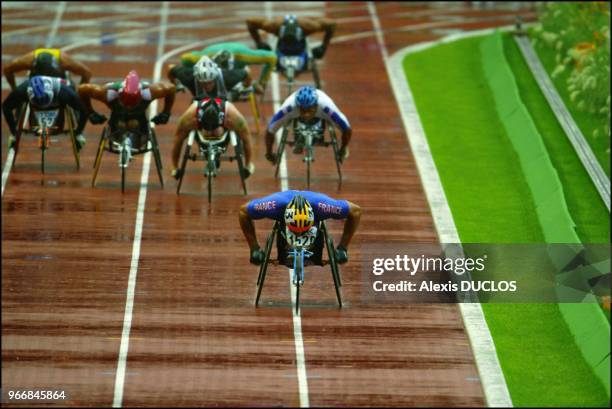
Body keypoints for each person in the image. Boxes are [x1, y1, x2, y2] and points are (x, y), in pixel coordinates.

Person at [239, 191, 361, 266]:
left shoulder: (323, 207)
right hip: (283, 204)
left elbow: (355, 211)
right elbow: (243, 211)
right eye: (296, 230)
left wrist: (342, 248)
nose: (299, 234)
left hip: (315, 204)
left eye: (303, 230)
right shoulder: (274, 206)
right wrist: (254, 248)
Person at [78, 70, 175, 150]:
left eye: (132, 104)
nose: (128, 107)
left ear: (140, 97)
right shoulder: (107, 93)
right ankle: (121, 137)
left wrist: (166, 113)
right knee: (121, 125)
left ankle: (134, 139)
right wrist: (90, 112)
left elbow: (171, 89)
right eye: (125, 104)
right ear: (119, 95)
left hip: (138, 117)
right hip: (117, 116)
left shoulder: (149, 92)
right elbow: (82, 89)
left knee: (134, 124)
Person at [170, 97, 255, 180]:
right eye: (208, 129)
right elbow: (178, 138)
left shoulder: (231, 115)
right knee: (182, 134)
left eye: (213, 128)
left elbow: (246, 137)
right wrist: (175, 167)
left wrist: (248, 165)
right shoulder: (191, 115)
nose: (210, 131)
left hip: (222, 134)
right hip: (201, 134)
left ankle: (217, 140)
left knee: (239, 133)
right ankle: (205, 140)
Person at [265, 85, 351, 163]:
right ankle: (299, 137)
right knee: (291, 119)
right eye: (303, 110)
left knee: (342, 125)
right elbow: (270, 130)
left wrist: (343, 148)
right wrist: (269, 153)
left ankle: (310, 135)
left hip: (321, 111)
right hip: (296, 114)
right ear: (297, 106)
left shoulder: (327, 107)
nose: (306, 114)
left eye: (309, 110)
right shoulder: (289, 107)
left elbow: (346, 129)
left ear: (316, 105)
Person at [2, 75, 88, 150]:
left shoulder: (65, 92)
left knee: (77, 103)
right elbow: (5, 107)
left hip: (59, 93)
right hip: (42, 101)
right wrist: (13, 131)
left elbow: (84, 111)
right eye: (39, 104)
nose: (43, 107)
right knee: (14, 104)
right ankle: (14, 135)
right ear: (29, 95)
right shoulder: (22, 91)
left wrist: (78, 132)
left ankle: (78, 136)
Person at [178, 42, 277, 91]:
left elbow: (272, 57)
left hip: (238, 53)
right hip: (211, 52)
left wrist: (261, 83)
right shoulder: (203, 58)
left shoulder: (243, 56)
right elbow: (184, 59)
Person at [246, 14, 336, 61]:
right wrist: (259, 43)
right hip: (283, 27)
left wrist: (324, 47)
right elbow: (249, 21)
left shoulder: (308, 26)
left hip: (301, 26)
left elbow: (332, 24)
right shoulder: (274, 26)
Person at [167, 55, 259, 99]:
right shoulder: (188, 76)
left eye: (210, 82)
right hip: (198, 103)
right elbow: (171, 68)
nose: (207, 86)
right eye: (203, 83)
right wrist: (176, 84)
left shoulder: (227, 77)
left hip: (223, 103)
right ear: (197, 79)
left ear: (215, 77)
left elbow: (247, 73)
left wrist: (245, 86)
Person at [3, 48, 92, 91]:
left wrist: (79, 95)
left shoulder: (64, 61)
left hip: (58, 80)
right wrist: (14, 89)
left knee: (79, 104)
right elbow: (7, 69)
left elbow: (87, 72)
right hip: (36, 80)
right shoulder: (29, 60)